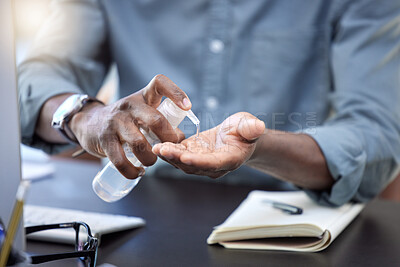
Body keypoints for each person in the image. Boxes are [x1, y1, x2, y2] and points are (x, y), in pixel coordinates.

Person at [19, 0, 400, 206]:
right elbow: (33, 78)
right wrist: (84, 115)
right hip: (143, 211)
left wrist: (259, 147)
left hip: (293, 219)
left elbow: (378, 132)